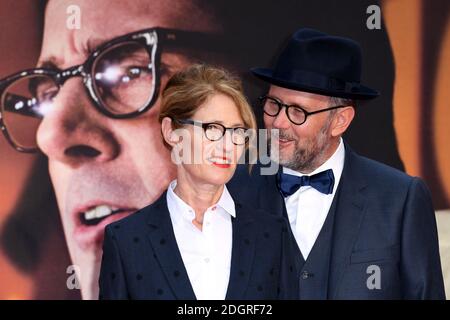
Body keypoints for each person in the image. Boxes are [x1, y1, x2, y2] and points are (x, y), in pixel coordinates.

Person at [229, 28, 446, 299]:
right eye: (273, 104)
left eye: (298, 111)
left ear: (340, 120)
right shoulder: (233, 188)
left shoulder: (399, 200)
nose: (278, 122)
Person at [98, 64, 299, 300]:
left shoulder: (272, 234)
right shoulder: (126, 240)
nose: (228, 146)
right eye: (212, 129)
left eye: (236, 131)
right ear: (171, 132)